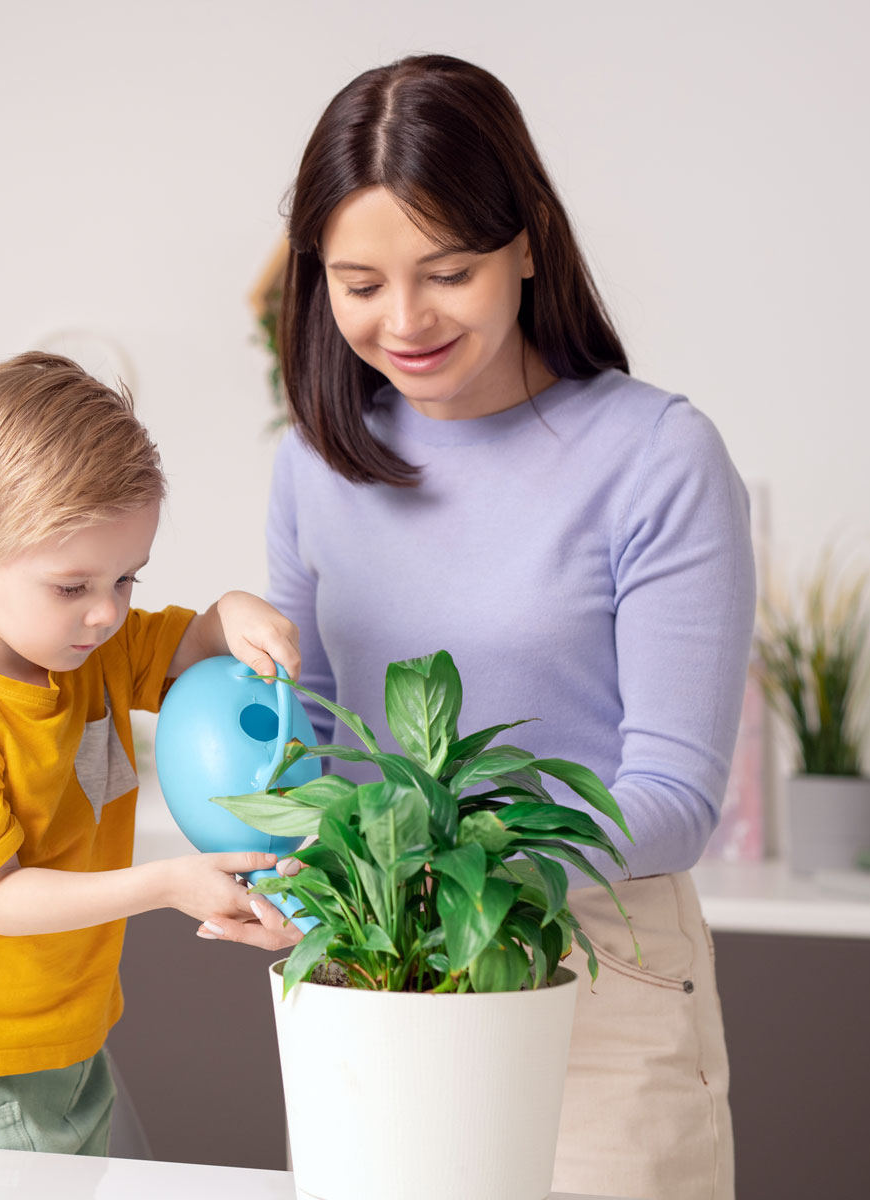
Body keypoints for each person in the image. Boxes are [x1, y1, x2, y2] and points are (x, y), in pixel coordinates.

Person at [205, 55, 753, 1200]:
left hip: (597, 972)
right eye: (358, 284)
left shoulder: (656, 458)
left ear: (529, 243)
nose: (403, 322)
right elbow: (310, 734)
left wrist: (446, 875)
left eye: (446, 272)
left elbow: (673, 797)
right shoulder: (314, 463)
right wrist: (299, 878)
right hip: (370, 982)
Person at [0, 351, 302, 1155]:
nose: (107, 614)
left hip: (58, 1031)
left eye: (128, 580)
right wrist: (165, 884)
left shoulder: (90, 649)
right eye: (73, 586)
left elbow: (190, 643)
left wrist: (234, 613)